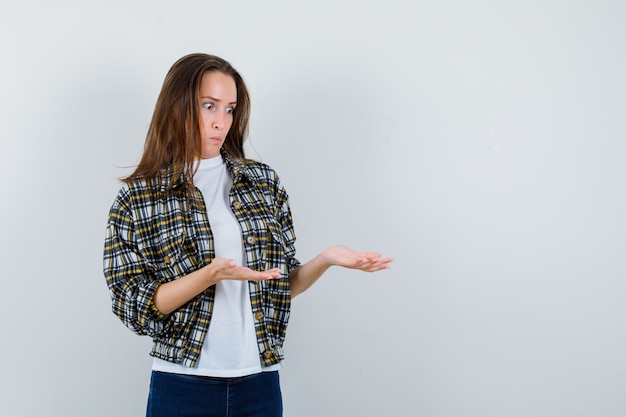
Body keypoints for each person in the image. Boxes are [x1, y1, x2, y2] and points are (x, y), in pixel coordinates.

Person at [103, 53, 392, 417]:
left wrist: (326, 259)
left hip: (260, 384)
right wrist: (209, 275)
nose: (220, 122)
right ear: (177, 106)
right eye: (209, 106)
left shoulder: (262, 182)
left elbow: (278, 285)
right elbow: (133, 306)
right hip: (182, 385)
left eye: (229, 109)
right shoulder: (140, 197)